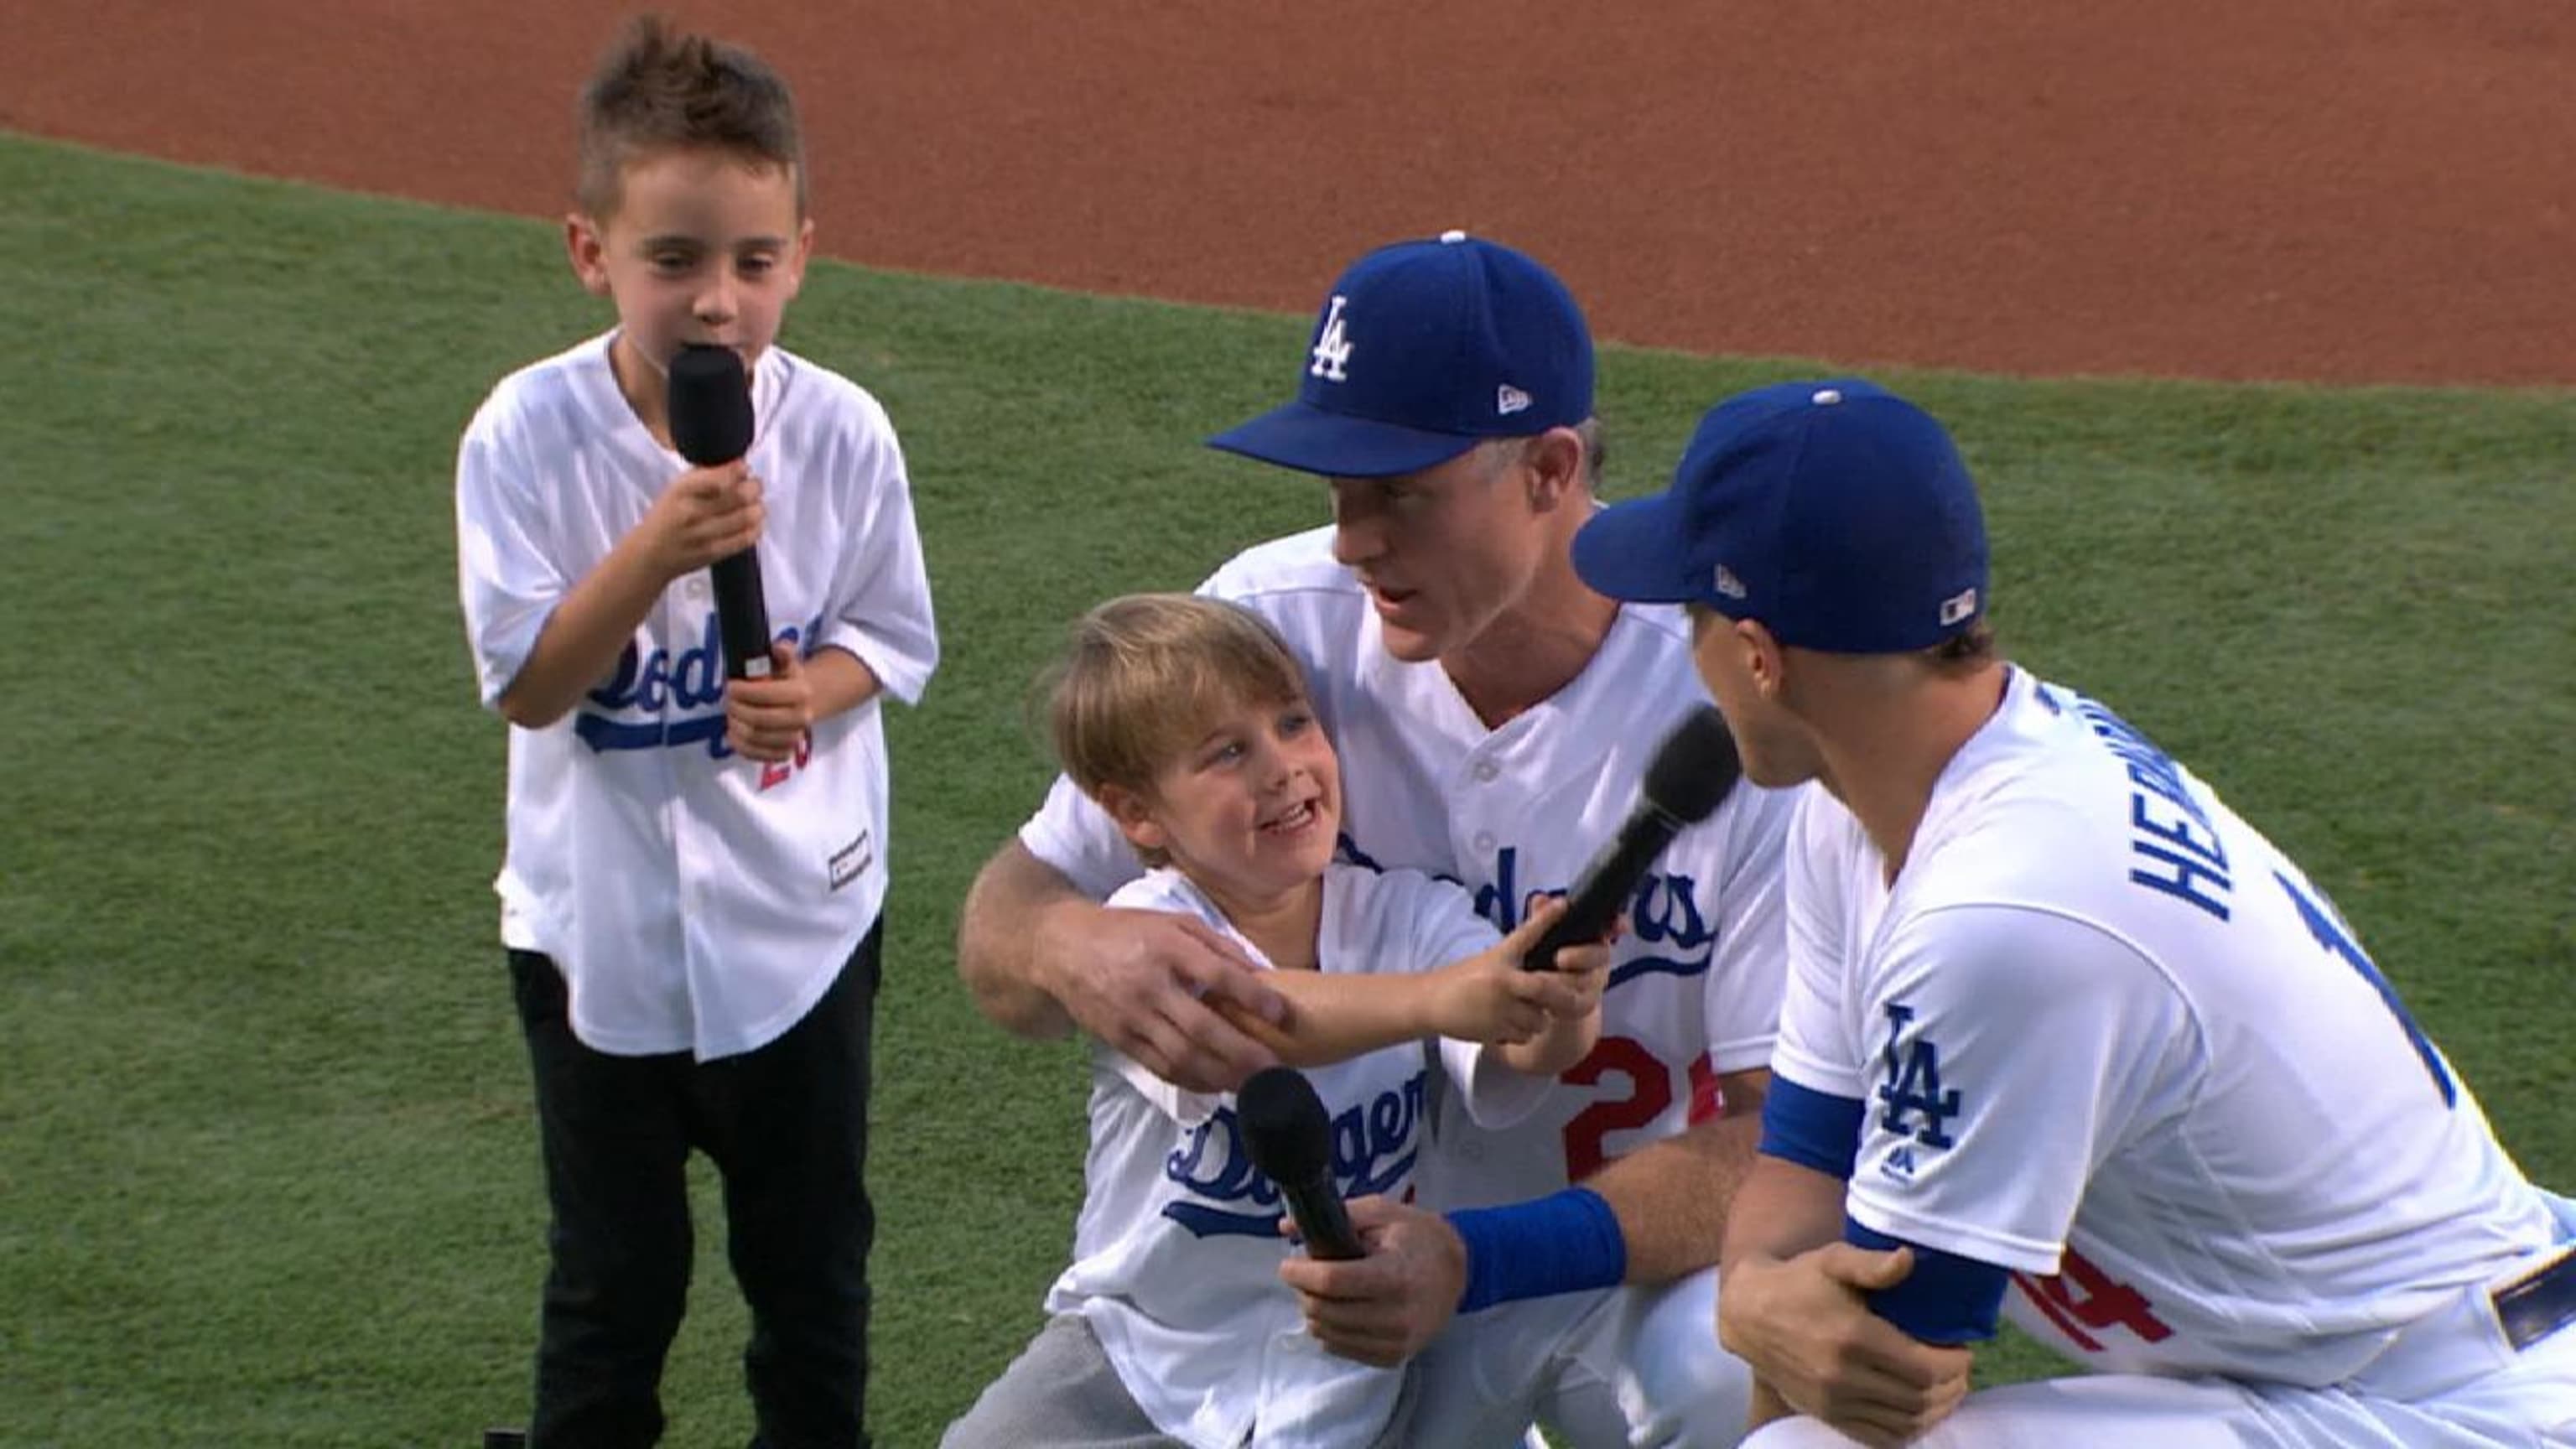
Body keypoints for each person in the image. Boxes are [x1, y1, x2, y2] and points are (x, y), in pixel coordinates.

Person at [1567, 377, 2576, 1446]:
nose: (1693, 655)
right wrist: (1757, 1303)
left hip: (2459, 1407)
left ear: (1760, 657)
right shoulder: (1869, 799)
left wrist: (1764, 1318)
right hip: (2312, 1370)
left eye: (1696, 620)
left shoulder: (2003, 914)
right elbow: (1808, 1168)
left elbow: (1882, 1365)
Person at [954, 231, 1798, 1447]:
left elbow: (1794, 1136)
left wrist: (1485, 1254)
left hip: (1599, 1275)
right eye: (1339, 489)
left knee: (1753, 1375)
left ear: (1550, 470)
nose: (1354, 539)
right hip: (1302, 1298)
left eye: (1400, 493)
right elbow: (1010, 922)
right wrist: (1072, 945)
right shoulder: (1274, 624)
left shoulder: (1722, 710)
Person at [453, 16, 937, 1446]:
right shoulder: (525, 436)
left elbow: (891, 638)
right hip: (594, 936)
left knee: (809, 1272)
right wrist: (652, 555)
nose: (716, 302)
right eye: (672, 260)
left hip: (801, 924)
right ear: (589, 251)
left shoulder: (844, 431)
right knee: (615, 1277)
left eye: (751, 260)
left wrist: (814, 691)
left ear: (802, 250)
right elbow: (533, 687)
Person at [943, 593, 1614, 1448]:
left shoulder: (1406, 914)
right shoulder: (1149, 927)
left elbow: (1518, 1052)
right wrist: (1445, 995)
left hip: (1348, 1381)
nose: (1280, 767)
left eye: (1294, 722)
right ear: (1138, 815)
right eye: (1227, 753)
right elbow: (1256, 1018)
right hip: (1138, 1362)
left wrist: (1560, 1000)